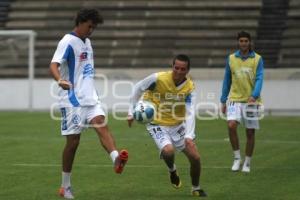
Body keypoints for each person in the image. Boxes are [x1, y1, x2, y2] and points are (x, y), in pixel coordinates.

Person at [49, 8, 128, 199]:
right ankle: (65, 186)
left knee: (102, 125)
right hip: (72, 99)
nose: (91, 30)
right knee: (73, 142)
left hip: (90, 97)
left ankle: (116, 158)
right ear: (81, 22)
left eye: (94, 27)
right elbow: (53, 64)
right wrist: (60, 79)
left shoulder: (88, 42)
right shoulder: (67, 41)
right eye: (90, 26)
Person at [127, 54, 207, 197]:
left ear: (187, 71)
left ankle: (196, 188)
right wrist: (131, 111)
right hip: (156, 122)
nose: (178, 71)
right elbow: (138, 88)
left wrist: (189, 135)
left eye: (182, 69)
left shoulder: (189, 88)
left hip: (177, 124)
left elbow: (190, 112)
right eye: (176, 68)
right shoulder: (158, 78)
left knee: (195, 157)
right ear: (172, 67)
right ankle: (172, 170)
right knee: (168, 151)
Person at [220, 31, 264, 173]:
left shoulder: (257, 59)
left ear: (249, 42)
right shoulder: (231, 58)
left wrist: (254, 95)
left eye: (246, 41)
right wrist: (223, 100)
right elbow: (227, 80)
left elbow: (259, 78)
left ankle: (247, 162)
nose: (243, 43)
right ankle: (237, 158)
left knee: (250, 133)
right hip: (234, 99)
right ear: (238, 42)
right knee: (231, 125)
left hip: (251, 100)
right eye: (241, 41)